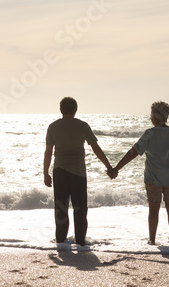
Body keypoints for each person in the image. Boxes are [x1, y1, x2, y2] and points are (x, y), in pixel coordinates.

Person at [42, 97, 116, 246]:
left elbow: (48, 152)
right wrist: (109, 167)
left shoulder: (53, 127)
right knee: (80, 208)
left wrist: (45, 172)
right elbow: (96, 148)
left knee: (61, 208)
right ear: (75, 110)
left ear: (61, 110)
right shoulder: (82, 126)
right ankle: (81, 241)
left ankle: (61, 241)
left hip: (59, 171)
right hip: (78, 173)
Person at [111, 101, 169, 244]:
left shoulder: (149, 134)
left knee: (153, 209)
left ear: (154, 116)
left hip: (153, 178)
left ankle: (152, 240)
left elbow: (133, 153)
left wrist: (116, 168)